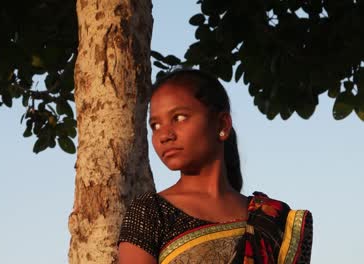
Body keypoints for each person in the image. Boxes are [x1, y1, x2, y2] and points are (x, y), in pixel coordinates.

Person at [117, 69, 313, 264]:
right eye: (155, 125)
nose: (164, 135)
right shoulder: (151, 213)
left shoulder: (271, 219)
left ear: (222, 125)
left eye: (179, 117)